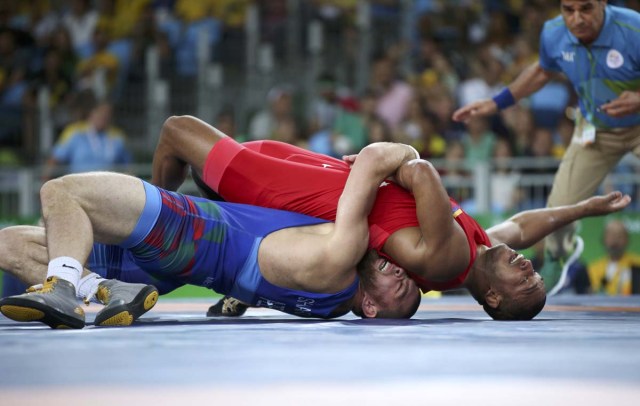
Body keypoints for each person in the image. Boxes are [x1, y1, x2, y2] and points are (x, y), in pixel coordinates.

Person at [151, 115, 631, 320]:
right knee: (210, 184)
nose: (529, 266)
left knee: (178, 134)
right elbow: (523, 226)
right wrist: (583, 207)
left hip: (317, 192)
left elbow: (420, 171)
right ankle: (243, 291)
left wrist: (396, 160)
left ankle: (138, 231)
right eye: (532, 273)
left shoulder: (448, 260)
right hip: (333, 176)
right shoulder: (478, 249)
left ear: (491, 295)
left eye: (524, 282)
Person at [0, 142, 422, 329]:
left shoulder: (340, 257)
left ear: (368, 305)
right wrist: (235, 299)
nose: (403, 273)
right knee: (8, 244)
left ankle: (63, 290)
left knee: (60, 191)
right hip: (172, 270)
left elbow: (371, 159)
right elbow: (265, 272)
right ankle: (106, 287)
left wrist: (410, 156)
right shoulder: (326, 307)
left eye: (400, 290)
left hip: (185, 228)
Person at [452, 0, 640, 295]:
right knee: (561, 203)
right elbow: (542, 71)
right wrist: (495, 102)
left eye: (586, 8)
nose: (577, 18)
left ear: (604, 3)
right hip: (595, 130)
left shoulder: (632, 28)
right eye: (569, 9)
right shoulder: (554, 33)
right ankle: (556, 256)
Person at [588, 219, 640, 295]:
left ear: (627, 239)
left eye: (619, 236)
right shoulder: (593, 269)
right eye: (611, 235)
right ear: (603, 239)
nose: (615, 240)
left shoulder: (637, 264)